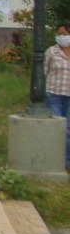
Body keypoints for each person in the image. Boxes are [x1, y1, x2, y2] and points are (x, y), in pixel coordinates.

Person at [45, 22, 70, 170]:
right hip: (54, 94)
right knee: (58, 129)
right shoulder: (52, 52)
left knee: (68, 130)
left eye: (65, 34)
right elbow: (44, 71)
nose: (62, 37)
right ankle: (55, 162)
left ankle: (67, 161)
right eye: (59, 34)